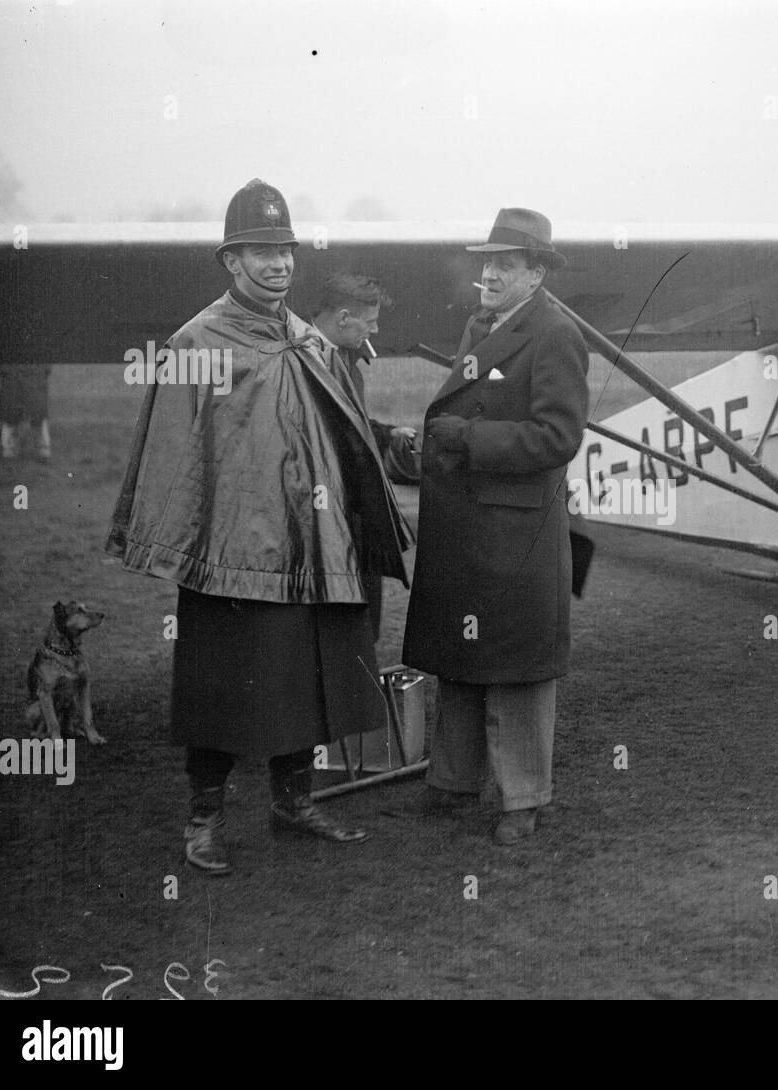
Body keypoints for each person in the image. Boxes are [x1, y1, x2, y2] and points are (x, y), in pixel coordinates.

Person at [107, 179, 413, 876]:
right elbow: (170, 450)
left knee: (305, 679)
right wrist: (182, 544)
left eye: (285, 251)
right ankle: (204, 819)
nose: (277, 264)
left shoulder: (310, 341)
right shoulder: (197, 341)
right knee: (223, 685)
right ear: (231, 261)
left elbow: (342, 436)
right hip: (233, 551)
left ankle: (293, 802)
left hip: (311, 544)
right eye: (260, 251)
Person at [398, 207, 589, 845]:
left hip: (518, 531)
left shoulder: (555, 334)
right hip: (470, 525)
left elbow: (558, 437)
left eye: (504, 264)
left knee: (517, 666)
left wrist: (469, 439)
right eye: (486, 261)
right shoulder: (485, 324)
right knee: (461, 654)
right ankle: (452, 783)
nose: (489, 273)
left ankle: (522, 801)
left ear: (536, 273)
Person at [310, 272, 419, 637]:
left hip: (352, 507)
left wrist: (388, 435)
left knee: (359, 619)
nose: (373, 331)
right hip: (318, 513)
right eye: (369, 323)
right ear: (343, 318)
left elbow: (352, 423)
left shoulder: (345, 359)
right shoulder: (299, 360)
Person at [0, 363, 51, 461]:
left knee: (38, 417)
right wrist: (5, 371)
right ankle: (9, 449)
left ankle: (43, 449)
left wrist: (43, 370)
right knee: (10, 416)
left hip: (35, 377)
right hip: (12, 378)